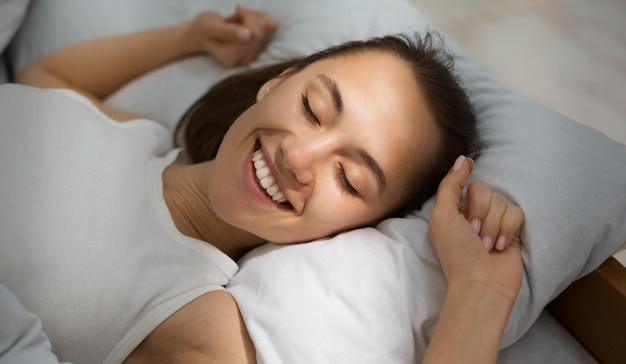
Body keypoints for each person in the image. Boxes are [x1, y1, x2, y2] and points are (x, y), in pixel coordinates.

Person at [0, 5, 523, 364]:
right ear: (277, 82)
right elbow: (45, 77)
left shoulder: (190, 317)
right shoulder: (139, 133)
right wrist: (188, 37)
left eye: (349, 178)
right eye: (313, 108)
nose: (298, 157)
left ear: (358, 227)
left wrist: (480, 293)